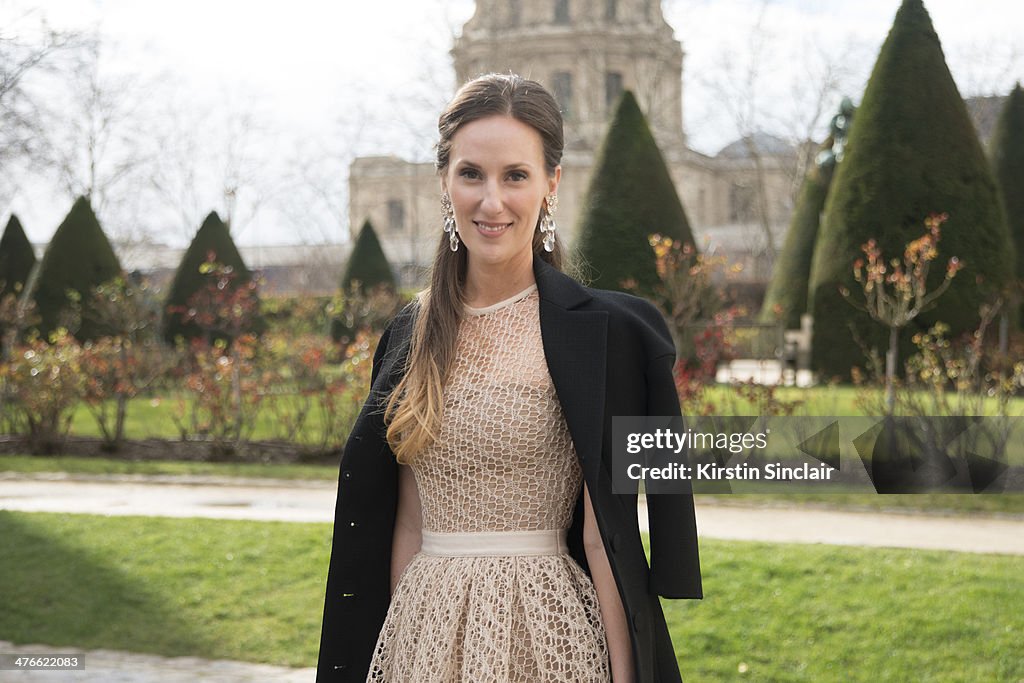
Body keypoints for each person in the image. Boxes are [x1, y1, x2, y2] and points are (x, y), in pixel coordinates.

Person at [317, 73, 702, 683]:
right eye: (471, 173)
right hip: (425, 629)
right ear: (444, 181)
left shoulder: (597, 334)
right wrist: (402, 651)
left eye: (515, 176)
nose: (491, 201)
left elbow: (606, 538)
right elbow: (408, 523)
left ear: (551, 184)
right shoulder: (409, 336)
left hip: (546, 631)